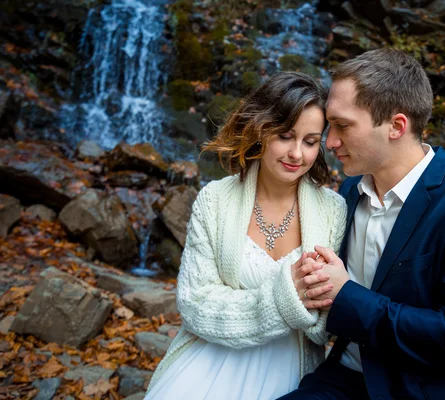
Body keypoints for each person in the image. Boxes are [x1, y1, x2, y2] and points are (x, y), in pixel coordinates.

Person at [280, 49, 445, 399]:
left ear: (396, 126)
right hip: (344, 378)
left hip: (428, 390)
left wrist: (346, 295)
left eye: (343, 126)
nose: (329, 142)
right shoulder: (349, 191)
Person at [145, 72, 347, 400]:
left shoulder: (333, 210)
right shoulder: (215, 199)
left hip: (291, 371)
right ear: (260, 130)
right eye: (285, 136)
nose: (297, 154)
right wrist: (284, 298)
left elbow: (323, 325)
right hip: (208, 360)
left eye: (310, 142)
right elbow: (194, 304)